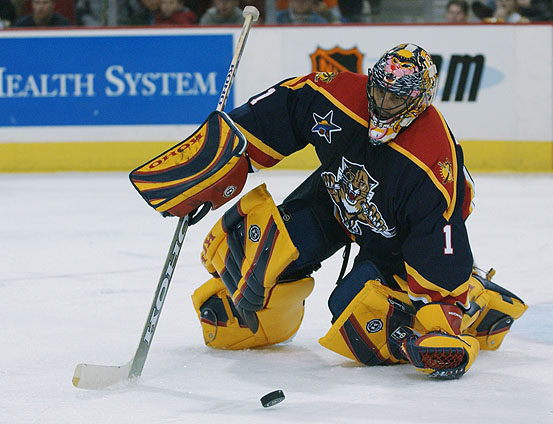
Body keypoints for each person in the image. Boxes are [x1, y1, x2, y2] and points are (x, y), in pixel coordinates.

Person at [163, 43, 527, 379]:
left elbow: (439, 236)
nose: (383, 103)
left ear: (418, 101)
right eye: (379, 91)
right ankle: (258, 322)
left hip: (395, 238)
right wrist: (220, 159)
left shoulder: (431, 161)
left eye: (394, 98)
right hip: (337, 200)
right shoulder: (340, 93)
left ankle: (474, 299)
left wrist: (441, 317)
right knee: (258, 243)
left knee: (359, 316)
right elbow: (286, 106)